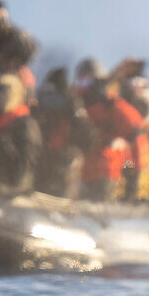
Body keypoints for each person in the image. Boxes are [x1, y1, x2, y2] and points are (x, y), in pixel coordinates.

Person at [74, 59, 149, 202]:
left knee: (111, 154)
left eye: (89, 82)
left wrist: (132, 184)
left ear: (99, 81)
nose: (85, 88)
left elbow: (138, 141)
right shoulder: (74, 106)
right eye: (82, 82)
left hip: (106, 174)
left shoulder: (115, 108)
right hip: (76, 173)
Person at [33, 67, 97, 198]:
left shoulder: (72, 104)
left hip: (61, 160)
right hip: (43, 155)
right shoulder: (42, 101)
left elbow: (88, 139)